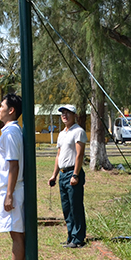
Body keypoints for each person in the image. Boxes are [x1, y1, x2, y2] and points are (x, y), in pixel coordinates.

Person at [0, 94, 25, 260]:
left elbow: (13, 164)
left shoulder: (11, 133)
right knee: (15, 234)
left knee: (16, 235)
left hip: (11, 189)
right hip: (9, 188)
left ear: (11, 110)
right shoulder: (10, 132)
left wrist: (9, 194)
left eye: (1, 106)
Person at [48, 104, 87, 248]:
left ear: (74, 115)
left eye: (68, 113)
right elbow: (59, 155)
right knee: (66, 208)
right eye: (62, 113)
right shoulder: (62, 133)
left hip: (72, 172)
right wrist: (54, 175)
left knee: (75, 206)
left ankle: (78, 238)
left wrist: (75, 174)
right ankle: (71, 236)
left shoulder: (78, 132)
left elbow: (79, 154)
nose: (64, 115)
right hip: (63, 174)